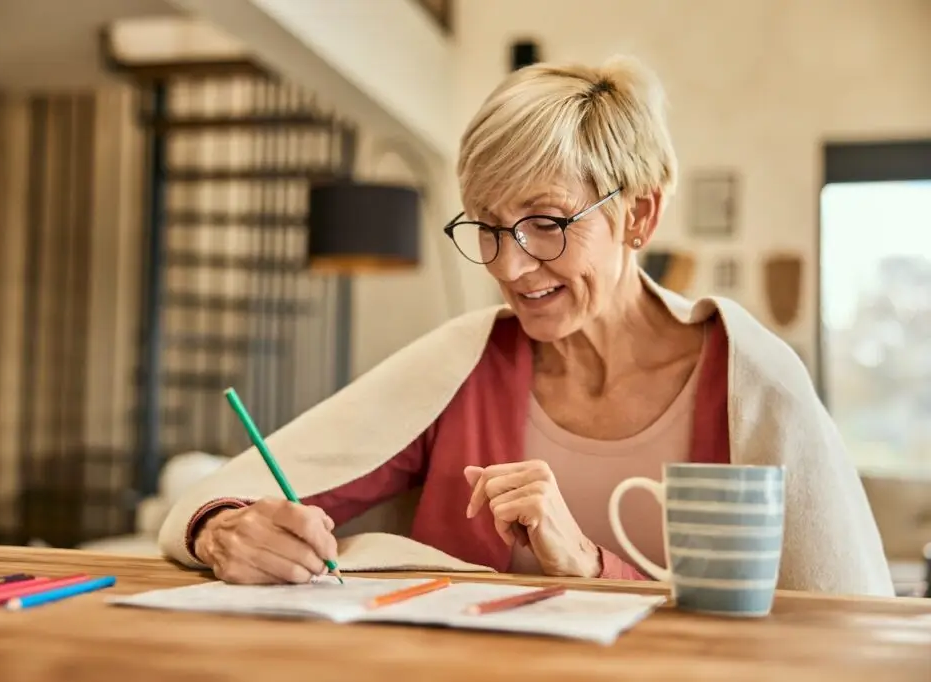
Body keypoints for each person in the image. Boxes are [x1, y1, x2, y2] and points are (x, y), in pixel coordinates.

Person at [158, 56, 893, 596]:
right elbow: (234, 496)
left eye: (545, 222)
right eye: (487, 226)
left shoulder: (752, 383)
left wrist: (589, 565)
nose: (509, 267)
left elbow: (835, 626)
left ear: (639, 215)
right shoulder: (463, 363)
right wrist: (230, 530)